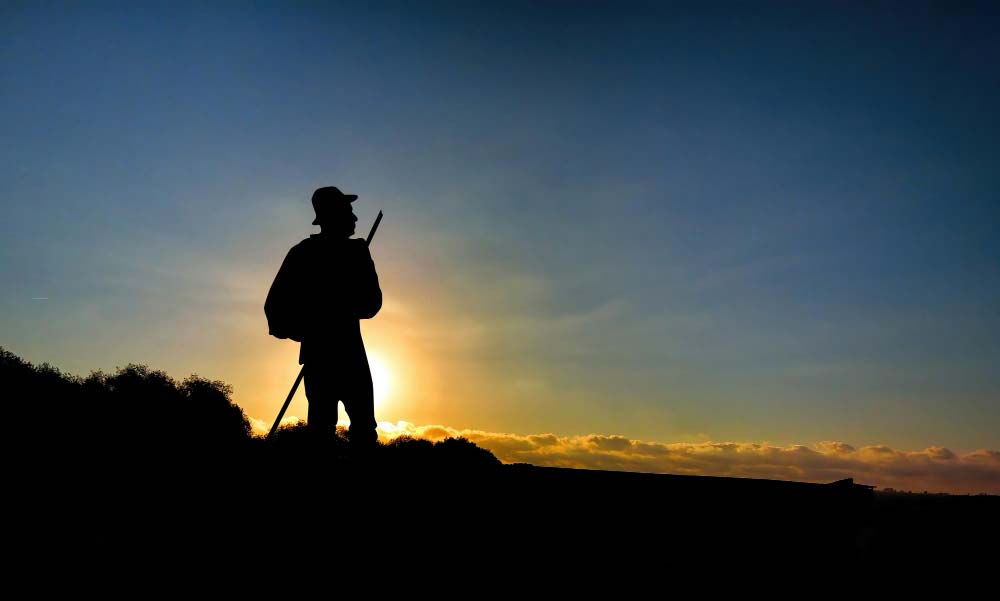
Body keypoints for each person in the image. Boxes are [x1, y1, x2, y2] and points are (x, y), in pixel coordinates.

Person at [265, 186, 382, 446]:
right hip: (322, 356)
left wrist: (345, 301)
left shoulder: (357, 252)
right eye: (348, 211)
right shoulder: (303, 253)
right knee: (322, 430)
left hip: (349, 354)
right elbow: (275, 308)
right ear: (334, 215)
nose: (354, 217)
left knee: (362, 428)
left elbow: (372, 303)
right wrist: (308, 329)